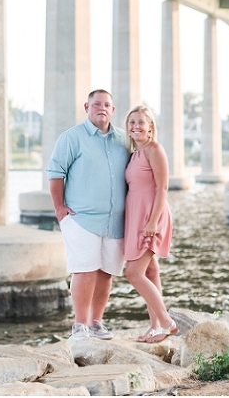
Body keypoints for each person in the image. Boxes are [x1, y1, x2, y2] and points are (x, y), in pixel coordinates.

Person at [47, 89, 130, 340]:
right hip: (82, 218)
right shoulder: (72, 138)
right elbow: (55, 173)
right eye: (96, 104)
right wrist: (60, 209)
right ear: (87, 107)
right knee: (84, 270)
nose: (101, 108)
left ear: (113, 110)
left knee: (106, 272)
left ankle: (95, 323)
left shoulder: (124, 140)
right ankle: (80, 326)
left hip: (115, 221)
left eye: (106, 105)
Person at [123, 105, 178, 343]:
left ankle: (167, 323)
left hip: (151, 217)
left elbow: (162, 187)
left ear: (150, 126)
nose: (135, 126)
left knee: (133, 272)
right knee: (150, 270)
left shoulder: (154, 149)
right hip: (137, 217)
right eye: (131, 122)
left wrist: (152, 222)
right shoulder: (135, 152)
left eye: (141, 122)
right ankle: (155, 326)